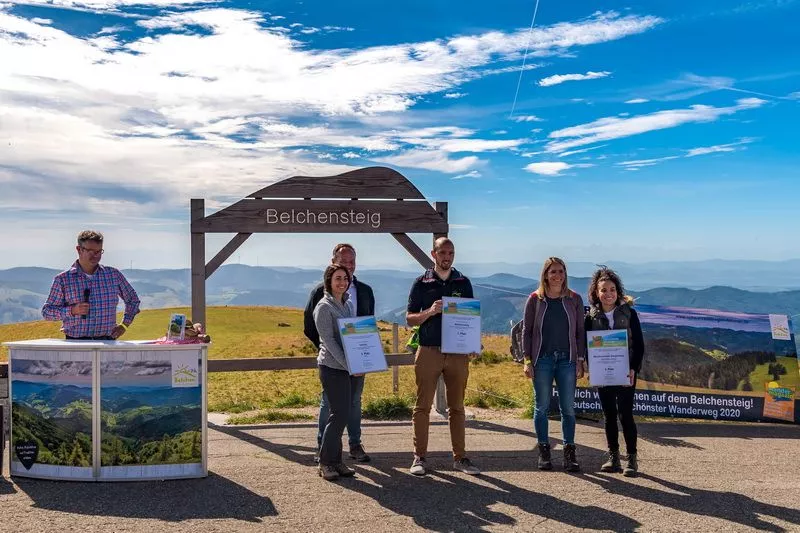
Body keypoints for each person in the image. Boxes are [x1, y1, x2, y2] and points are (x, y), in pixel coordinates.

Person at [406, 237, 480, 476]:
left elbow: (469, 317)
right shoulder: (421, 283)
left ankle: (461, 458)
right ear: (433, 254)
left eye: (451, 253)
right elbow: (409, 319)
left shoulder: (463, 282)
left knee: (457, 407)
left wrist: (472, 340)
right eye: (443, 253)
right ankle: (419, 457)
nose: (447, 257)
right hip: (428, 350)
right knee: (422, 406)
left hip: (458, 353)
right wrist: (430, 312)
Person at [304, 243, 375, 463]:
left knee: (354, 402)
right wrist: (330, 351)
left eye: (352, 261)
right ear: (333, 263)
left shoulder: (364, 291)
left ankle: (355, 445)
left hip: (358, 361)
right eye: (343, 262)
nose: (348, 266)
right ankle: (323, 448)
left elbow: (367, 326)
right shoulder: (319, 293)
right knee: (330, 405)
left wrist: (363, 358)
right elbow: (310, 326)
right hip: (333, 364)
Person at [522, 257, 586, 472]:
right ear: (545, 275)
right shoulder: (535, 299)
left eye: (561, 271)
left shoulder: (574, 299)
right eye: (553, 272)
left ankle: (569, 452)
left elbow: (580, 332)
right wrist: (527, 360)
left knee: (567, 408)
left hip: (567, 360)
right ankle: (544, 451)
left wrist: (580, 360)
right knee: (541, 407)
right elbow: (527, 332)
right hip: (542, 359)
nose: (557, 276)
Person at [585, 267, 645, 477]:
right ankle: (614, 458)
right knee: (609, 415)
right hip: (603, 373)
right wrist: (590, 368)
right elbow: (586, 345)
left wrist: (633, 368)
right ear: (596, 293)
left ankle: (632, 459)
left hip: (625, 372)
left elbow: (638, 344)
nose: (608, 294)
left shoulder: (629, 313)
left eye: (612, 289)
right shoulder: (591, 316)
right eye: (603, 290)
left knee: (625, 415)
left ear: (618, 292)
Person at [42, 230, 140, 340]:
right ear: (79, 250)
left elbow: (133, 300)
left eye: (99, 251)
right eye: (91, 251)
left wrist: (124, 326)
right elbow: (47, 312)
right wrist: (72, 310)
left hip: (108, 343)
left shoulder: (113, 275)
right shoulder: (63, 279)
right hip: (76, 344)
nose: (96, 256)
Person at [314, 263, 360, 481]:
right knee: (339, 414)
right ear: (329, 282)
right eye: (337, 278)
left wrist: (360, 360)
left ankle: (337, 461)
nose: (342, 282)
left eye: (345, 278)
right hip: (332, 367)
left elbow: (353, 335)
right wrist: (350, 365)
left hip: (347, 366)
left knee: (343, 414)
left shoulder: (348, 304)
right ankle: (325, 462)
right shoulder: (324, 307)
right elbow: (329, 342)